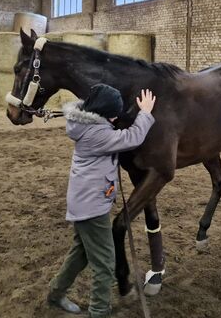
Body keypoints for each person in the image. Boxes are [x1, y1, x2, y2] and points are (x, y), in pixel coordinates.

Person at [47, 84, 157, 318]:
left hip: (85, 202)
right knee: (105, 263)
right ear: (105, 113)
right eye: (114, 113)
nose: (117, 116)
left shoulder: (86, 125)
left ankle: (55, 293)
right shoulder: (97, 134)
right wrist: (145, 113)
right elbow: (132, 137)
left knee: (81, 253)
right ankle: (100, 311)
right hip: (91, 207)